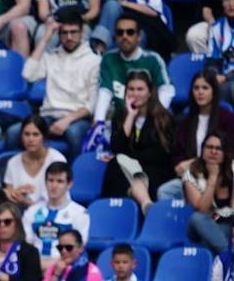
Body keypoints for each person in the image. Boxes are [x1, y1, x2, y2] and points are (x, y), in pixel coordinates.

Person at [20, 11, 100, 157]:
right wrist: (45, 39)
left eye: (73, 32)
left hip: (77, 118)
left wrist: (67, 120)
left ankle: (76, 177)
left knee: (73, 133)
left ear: (82, 32)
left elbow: (92, 104)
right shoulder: (51, 56)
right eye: (64, 33)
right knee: (14, 133)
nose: (69, 37)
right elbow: (28, 74)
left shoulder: (94, 61)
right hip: (48, 115)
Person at [101, 71, 176, 212]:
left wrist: (131, 159)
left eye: (140, 89)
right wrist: (130, 116)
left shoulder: (164, 118)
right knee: (115, 165)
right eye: (131, 89)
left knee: (121, 167)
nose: (135, 93)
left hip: (155, 171)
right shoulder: (120, 117)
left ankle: (138, 204)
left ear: (150, 93)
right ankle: (142, 205)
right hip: (126, 170)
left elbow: (161, 154)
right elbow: (117, 149)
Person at [94, 14, 173, 124]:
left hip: (150, 116)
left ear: (139, 36)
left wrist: (152, 117)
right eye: (120, 32)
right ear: (115, 37)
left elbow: (166, 90)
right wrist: (98, 120)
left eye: (130, 32)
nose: (124, 36)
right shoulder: (108, 59)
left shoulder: (153, 59)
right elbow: (105, 92)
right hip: (121, 116)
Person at [169, 69, 234, 202]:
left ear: (214, 91)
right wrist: (180, 165)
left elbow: (230, 151)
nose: (200, 92)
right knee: (165, 191)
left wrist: (196, 162)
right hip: (193, 175)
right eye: (196, 88)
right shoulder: (185, 121)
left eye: (205, 88)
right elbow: (178, 155)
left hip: (221, 174)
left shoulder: (227, 118)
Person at [22, 160, 90, 265]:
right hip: (34, 267)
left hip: (65, 267)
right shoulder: (31, 211)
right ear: (45, 182)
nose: (54, 185)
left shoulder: (80, 213)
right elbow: (26, 244)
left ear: (69, 184)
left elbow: (78, 249)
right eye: (51, 180)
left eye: (60, 181)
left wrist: (49, 265)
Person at [178, 132, 234, 253]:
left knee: (216, 237)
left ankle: (220, 264)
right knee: (196, 218)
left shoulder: (232, 170)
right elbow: (202, 209)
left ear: (225, 153)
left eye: (218, 148)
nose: (213, 151)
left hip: (224, 223)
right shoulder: (190, 174)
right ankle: (229, 256)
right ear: (202, 150)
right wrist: (212, 178)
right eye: (209, 147)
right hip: (199, 226)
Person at [4, 116, 67, 208]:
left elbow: (60, 198)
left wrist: (28, 202)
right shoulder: (13, 162)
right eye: (26, 134)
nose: (30, 139)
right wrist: (16, 193)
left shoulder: (57, 159)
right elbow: (10, 195)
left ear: (44, 137)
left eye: (35, 134)